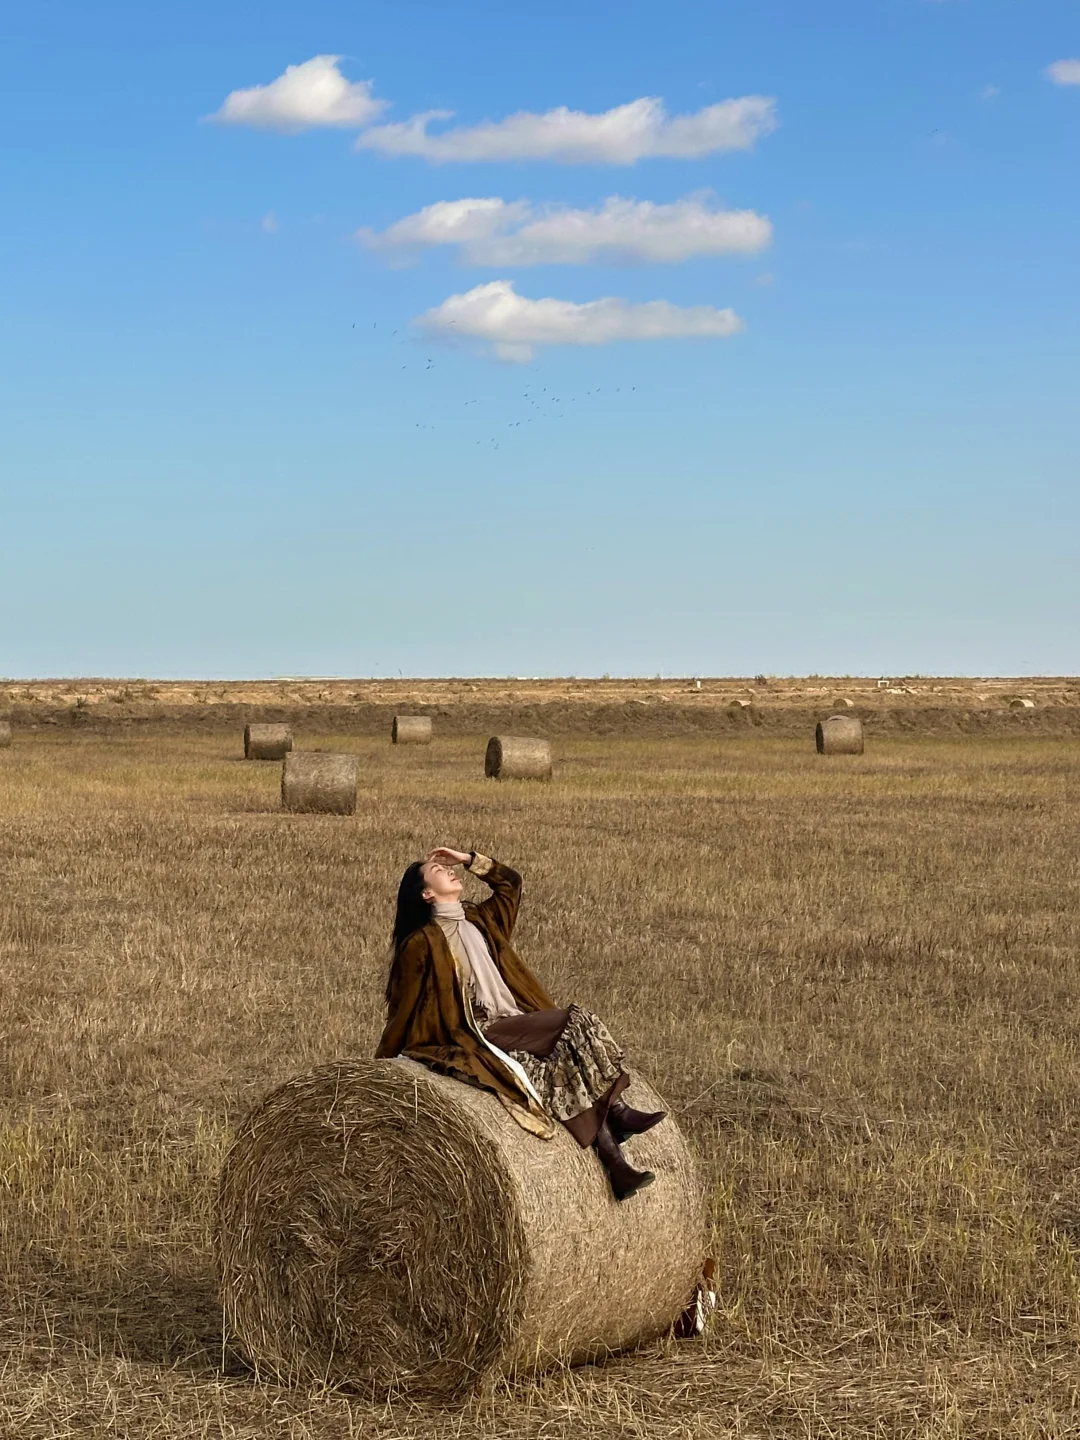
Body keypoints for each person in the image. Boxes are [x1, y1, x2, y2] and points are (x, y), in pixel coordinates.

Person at [377, 847, 664, 1201]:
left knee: (556, 1070)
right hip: (478, 1030)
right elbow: (402, 1010)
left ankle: (615, 1164)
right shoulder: (421, 944)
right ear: (426, 894)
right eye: (438, 870)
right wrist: (381, 1074)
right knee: (576, 1021)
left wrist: (469, 859)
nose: (450, 871)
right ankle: (616, 1109)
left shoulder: (479, 920)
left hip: (515, 1018)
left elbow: (511, 884)